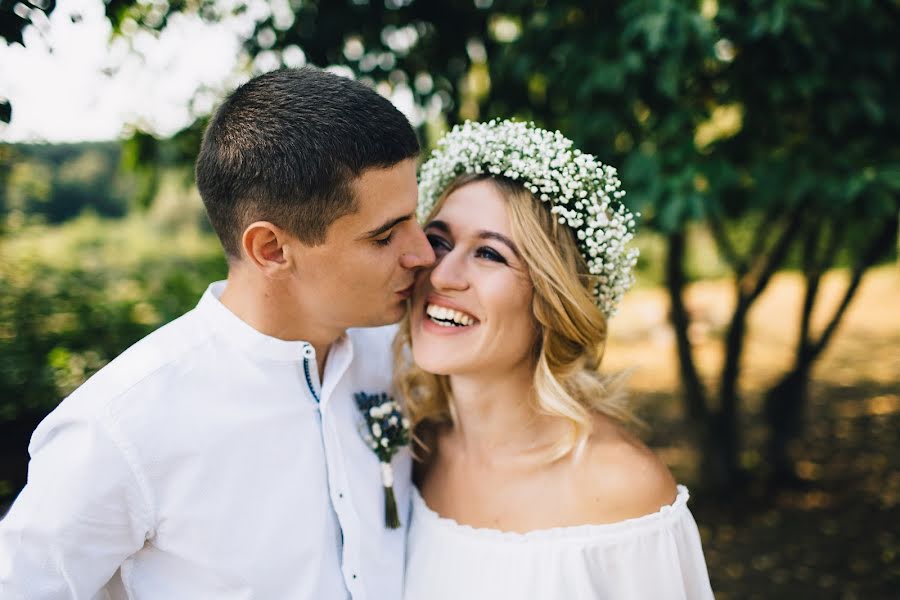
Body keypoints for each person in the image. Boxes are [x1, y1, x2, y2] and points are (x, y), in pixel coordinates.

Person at [0, 67, 435, 599]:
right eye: (386, 235)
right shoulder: (120, 426)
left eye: (415, 218)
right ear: (271, 250)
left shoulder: (407, 358)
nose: (423, 253)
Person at [398, 120, 715, 599]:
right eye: (439, 241)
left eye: (488, 253)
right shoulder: (419, 452)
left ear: (550, 299)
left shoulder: (621, 490)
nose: (442, 274)